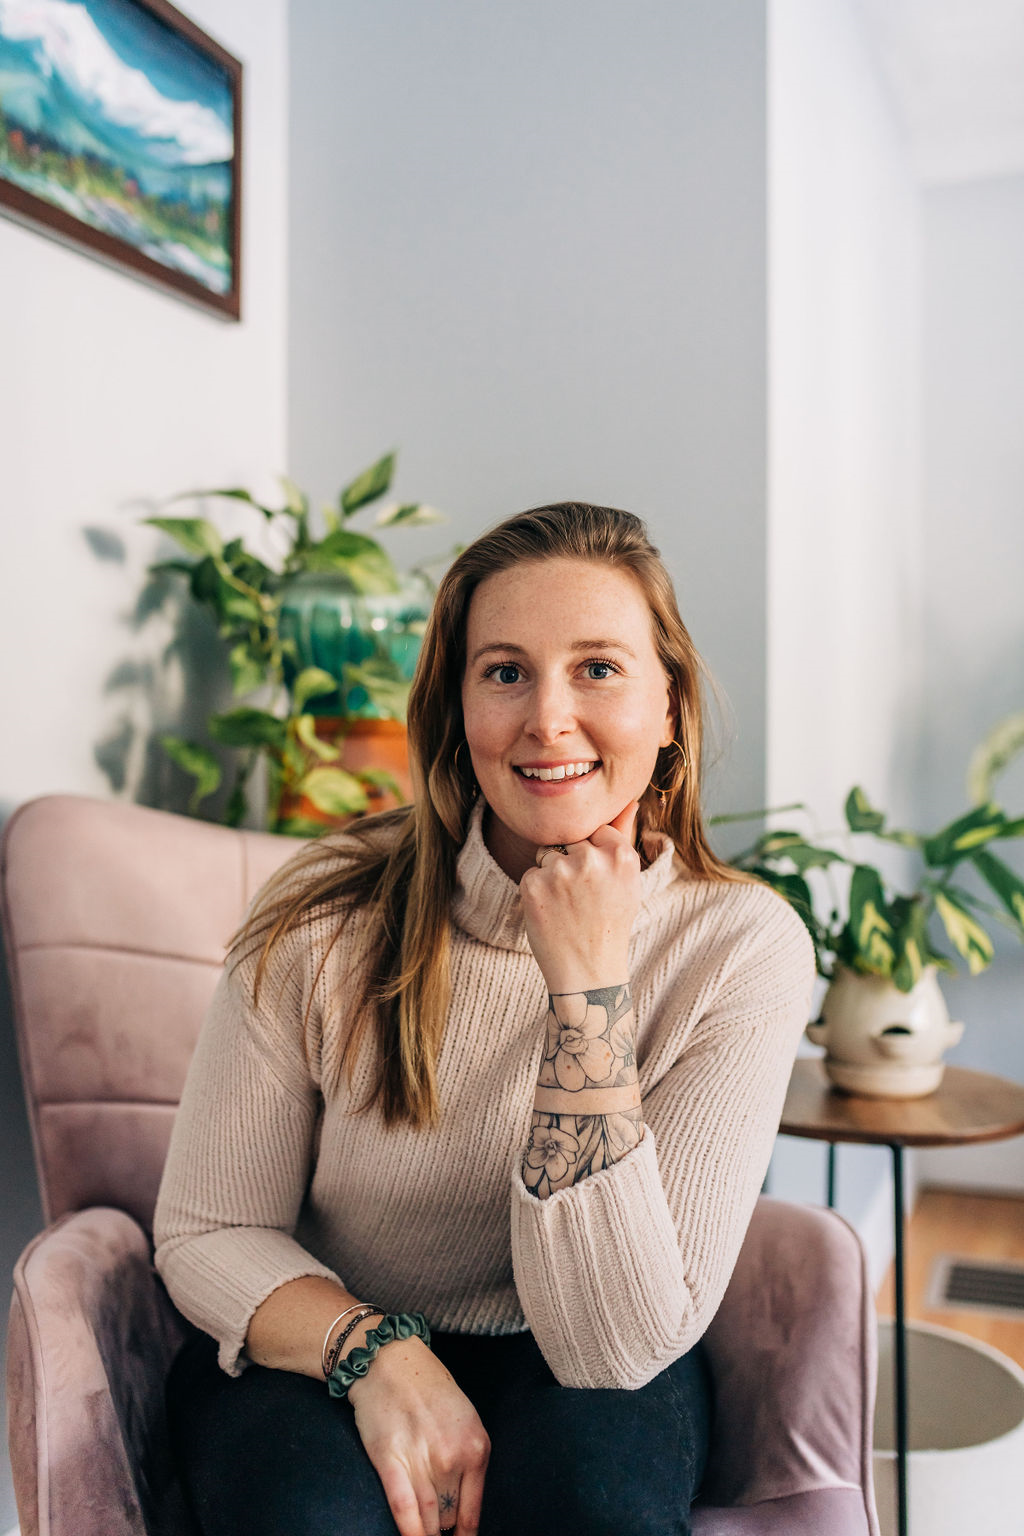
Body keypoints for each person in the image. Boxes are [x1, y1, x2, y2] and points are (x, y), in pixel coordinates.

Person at [155, 501, 815, 1536]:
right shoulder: (324, 912)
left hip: (584, 1358)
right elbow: (208, 1229)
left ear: (671, 706)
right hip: (325, 1334)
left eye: (598, 668)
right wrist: (377, 1354)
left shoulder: (741, 947)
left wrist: (586, 990)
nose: (547, 718)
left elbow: (612, 1347)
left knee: (595, 1514)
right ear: (457, 708)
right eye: (505, 672)